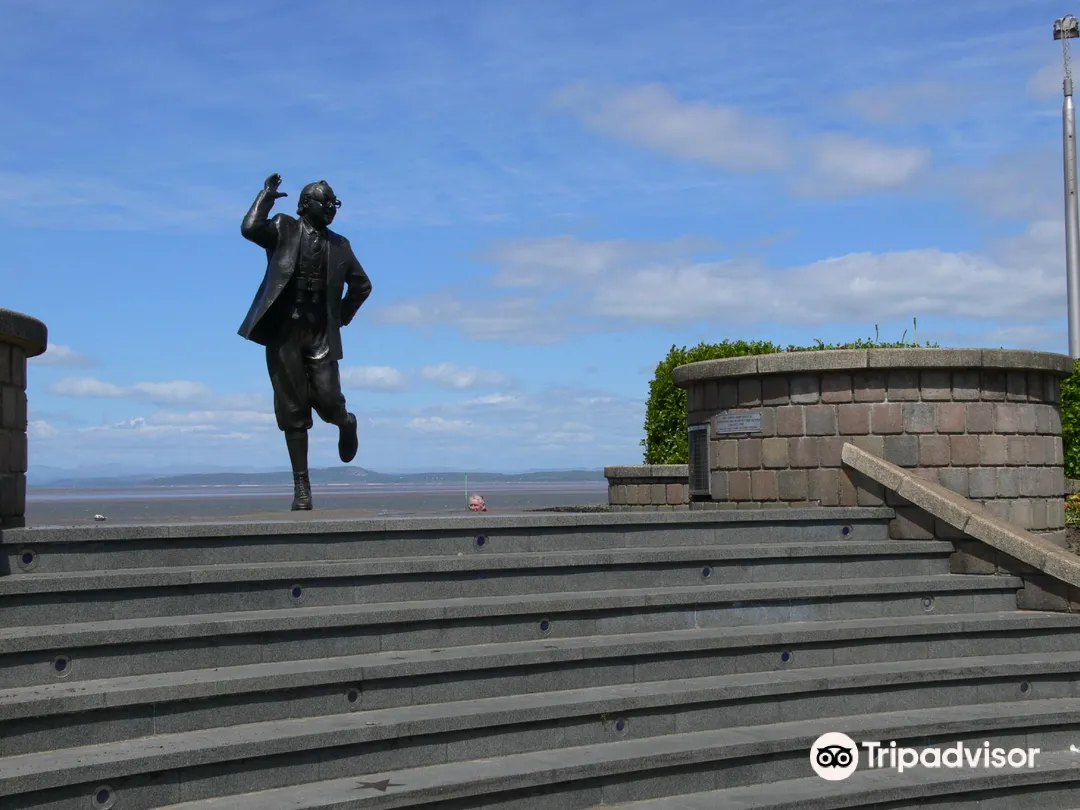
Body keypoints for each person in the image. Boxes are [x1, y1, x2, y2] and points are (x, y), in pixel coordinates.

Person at [239, 173, 372, 510]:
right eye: (324, 202)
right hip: (285, 333)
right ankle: (302, 487)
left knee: (329, 400)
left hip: (320, 335)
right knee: (293, 410)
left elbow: (362, 285)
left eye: (334, 203)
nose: (330, 208)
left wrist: (341, 316)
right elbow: (250, 228)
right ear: (303, 205)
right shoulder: (284, 228)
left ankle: (346, 421)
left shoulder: (340, 245)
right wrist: (265, 196)